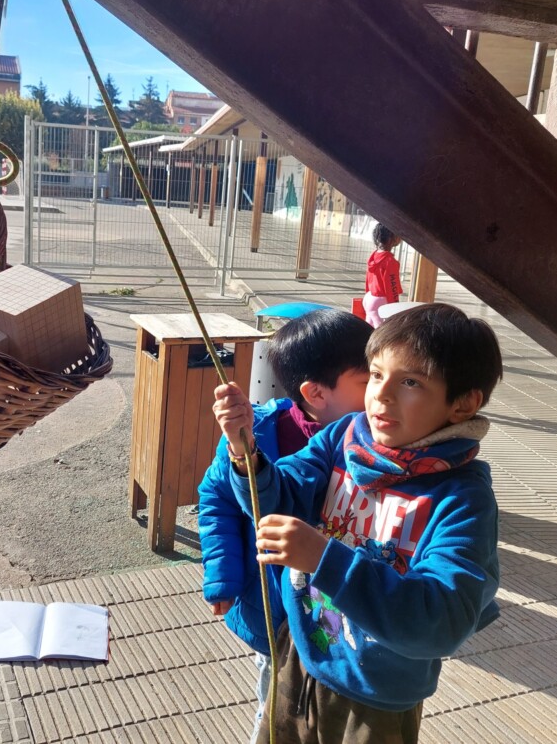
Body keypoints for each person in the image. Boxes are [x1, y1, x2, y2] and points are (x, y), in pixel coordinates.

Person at [213, 303, 503, 744]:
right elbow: (280, 497)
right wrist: (244, 451)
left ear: (463, 403)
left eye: (410, 382)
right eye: (376, 375)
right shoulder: (345, 435)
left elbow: (442, 618)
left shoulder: (462, 498)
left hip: (378, 692)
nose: (382, 396)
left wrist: (324, 559)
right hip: (301, 652)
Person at [198, 309, 373, 742]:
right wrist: (223, 577)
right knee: (277, 704)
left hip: (342, 619)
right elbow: (216, 498)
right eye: (371, 381)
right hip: (272, 610)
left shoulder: (378, 441)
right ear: (315, 392)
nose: (382, 394)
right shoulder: (254, 433)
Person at [363, 223, 403, 327]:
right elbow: (392, 285)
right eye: (397, 235)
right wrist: (395, 306)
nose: (400, 238)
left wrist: (368, 293)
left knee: (369, 327)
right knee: (382, 331)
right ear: (391, 239)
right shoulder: (390, 261)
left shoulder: (374, 256)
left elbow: (368, 279)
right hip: (380, 301)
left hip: (369, 297)